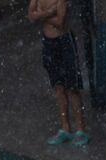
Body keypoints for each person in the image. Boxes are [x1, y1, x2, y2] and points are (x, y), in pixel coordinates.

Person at [29, 0, 89, 146]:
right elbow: (31, 17)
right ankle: (65, 129)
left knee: (72, 87)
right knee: (58, 87)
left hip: (64, 42)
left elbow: (60, 22)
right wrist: (49, 13)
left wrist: (40, 15)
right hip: (49, 44)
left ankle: (80, 130)